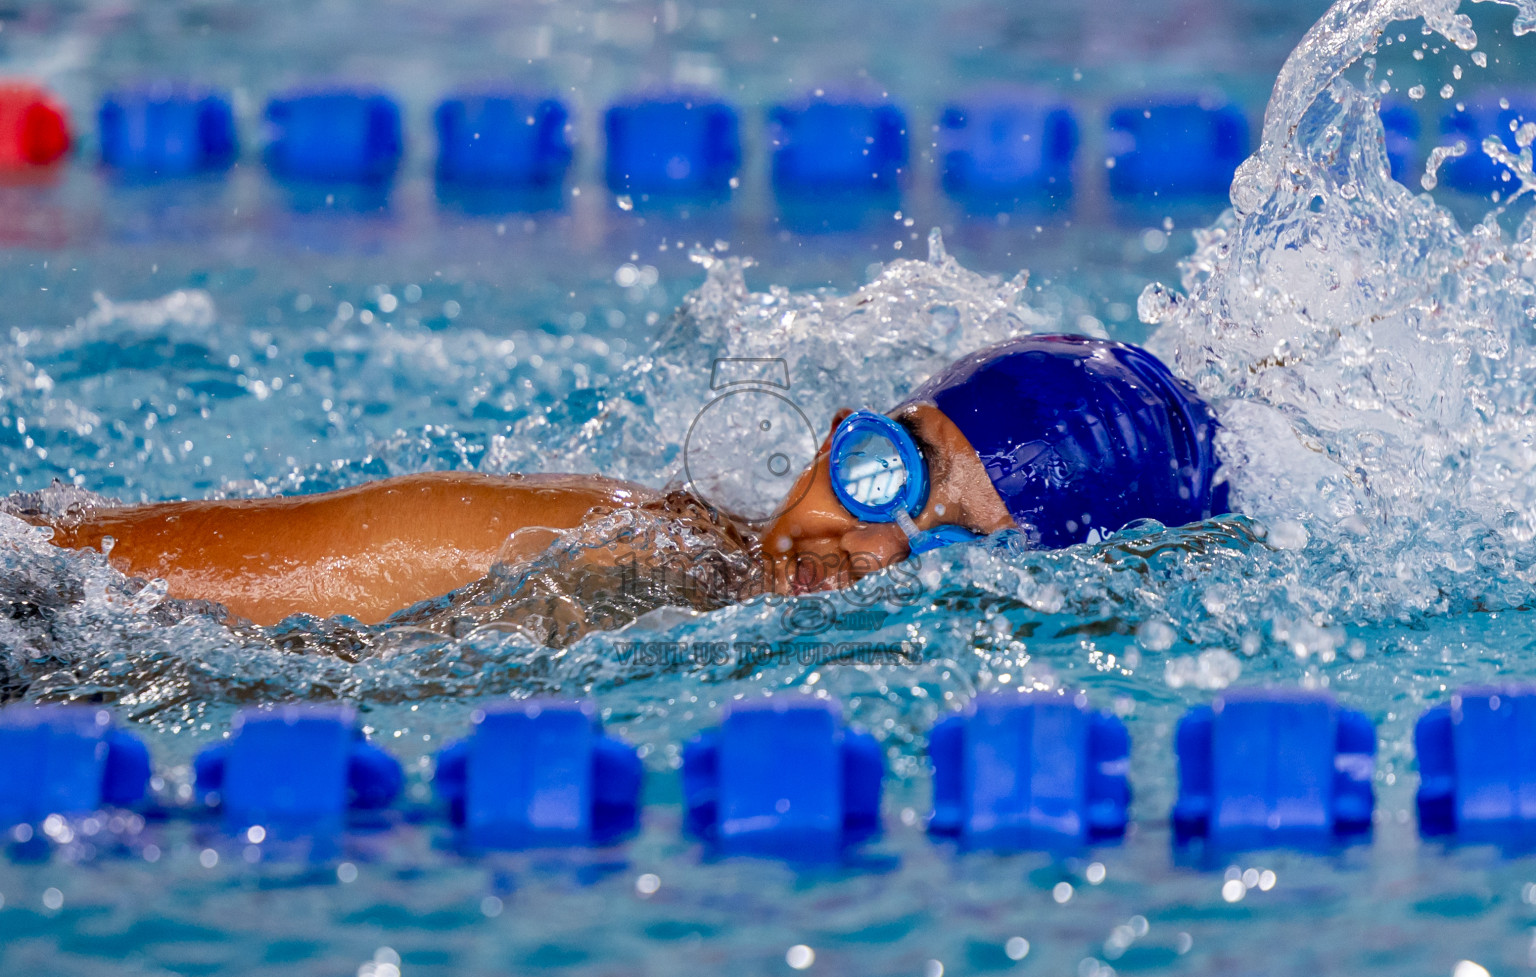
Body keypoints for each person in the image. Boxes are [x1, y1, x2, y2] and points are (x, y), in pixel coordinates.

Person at [22, 333, 1228, 627]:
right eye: (880, 471)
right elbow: (61, 571)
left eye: (946, 541)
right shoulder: (586, 547)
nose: (852, 539)